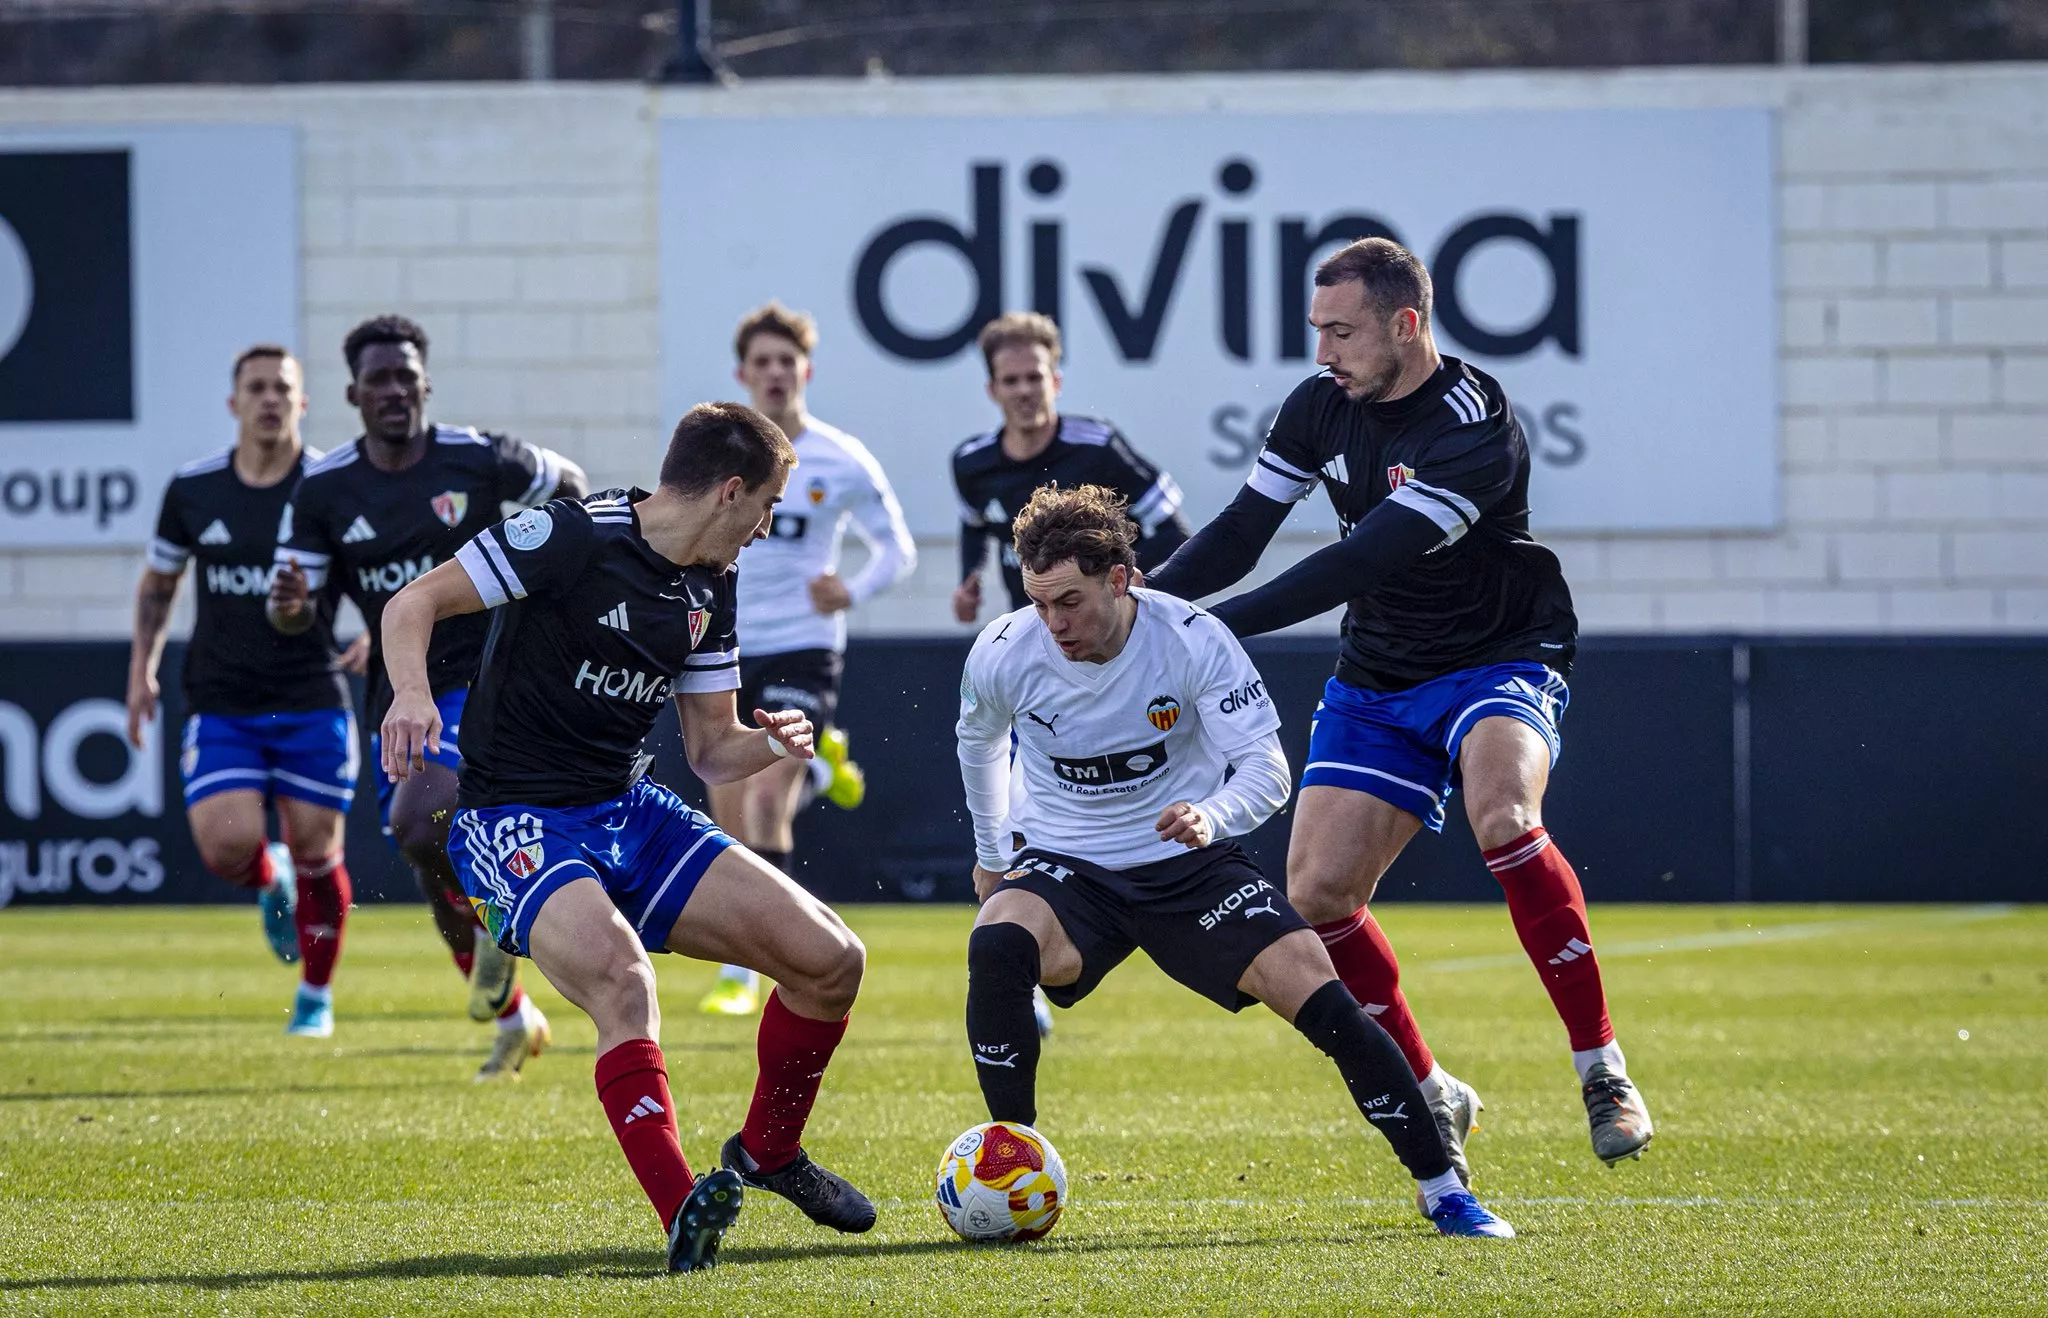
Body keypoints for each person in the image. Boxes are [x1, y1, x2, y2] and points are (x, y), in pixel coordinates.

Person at [1145, 237, 1653, 1167]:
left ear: (1405, 324)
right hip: (1380, 673)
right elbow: (1243, 531)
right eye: (1316, 331)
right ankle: (1432, 1091)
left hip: (1497, 657)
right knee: (1318, 890)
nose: (1322, 352)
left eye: (1340, 332)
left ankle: (1601, 1066)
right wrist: (1146, 609)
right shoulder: (1318, 405)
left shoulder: (1474, 422)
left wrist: (1208, 634)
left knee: (1503, 814)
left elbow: (1356, 561)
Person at [377, 401, 875, 1273]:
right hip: (511, 818)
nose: (764, 531)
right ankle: (683, 1210)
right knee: (622, 981)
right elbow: (413, 601)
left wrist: (771, 741)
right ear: (729, 491)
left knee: (833, 961)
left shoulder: (710, 585)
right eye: (764, 510)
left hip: (629, 810)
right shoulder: (572, 535)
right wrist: (411, 696)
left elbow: (712, 752)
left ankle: (767, 1152)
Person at [955, 484, 1513, 1239]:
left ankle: (1444, 1188)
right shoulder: (1004, 649)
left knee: (1325, 1002)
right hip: (1067, 865)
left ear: (1120, 580)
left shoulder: (1192, 639)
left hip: (1190, 865)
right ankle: (1011, 1156)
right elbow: (978, 740)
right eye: (1039, 602)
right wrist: (994, 855)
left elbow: (1267, 771)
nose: (1053, 624)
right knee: (997, 942)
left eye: (1070, 602)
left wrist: (1208, 815)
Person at [268, 314, 587, 1080]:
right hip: (400, 689)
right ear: (353, 392)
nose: (393, 390)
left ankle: (507, 928)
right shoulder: (324, 487)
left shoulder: (477, 457)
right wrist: (286, 605)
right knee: (423, 849)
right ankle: (513, 1014)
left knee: (421, 820)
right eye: (378, 379)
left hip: (491, 677)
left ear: (426, 383)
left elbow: (571, 487)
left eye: (405, 375)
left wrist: (548, 568)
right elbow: (294, 608)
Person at [127, 345, 365, 1037]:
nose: (269, 399)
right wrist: (140, 667)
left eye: (281, 388)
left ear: (302, 402)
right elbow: (160, 584)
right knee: (224, 847)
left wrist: (380, 636)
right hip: (222, 698)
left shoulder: (329, 485)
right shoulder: (194, 490)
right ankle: (269, 878)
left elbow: (383, 569)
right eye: (255, 388)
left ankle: (315, 999)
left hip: (311, 694)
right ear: (234, 403)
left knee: (321, 847)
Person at [699, 303, 917, 1017]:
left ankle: (765, 969)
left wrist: (850, 587)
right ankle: (745, 959)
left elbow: (898, 547)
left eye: (784, 361)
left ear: (805, 371)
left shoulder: (839, 456)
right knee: (729, 815)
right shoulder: (719, 457)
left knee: (766, 800)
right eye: (760, 362)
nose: (773, 373)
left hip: (804, 647)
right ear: (742, 375)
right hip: (724, 647)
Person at [950, 312, 1189, 624]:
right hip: (1034, 631)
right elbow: (975, 525)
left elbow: (1175, 532)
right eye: (1011, 380)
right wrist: (969, 579)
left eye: (1034, 377)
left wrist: (1133, 584)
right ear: (993, 390)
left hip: (1112, 633)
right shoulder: (972, 464)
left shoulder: (1098, 448)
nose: (1024, 391)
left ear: (1055, 382)